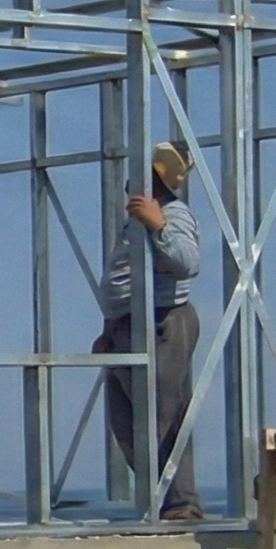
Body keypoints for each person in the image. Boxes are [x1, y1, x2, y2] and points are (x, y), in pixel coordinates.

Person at [95, 142, 203, 520]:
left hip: (163, 320)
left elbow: (188, 262)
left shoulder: (173, 213)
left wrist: (159, 225)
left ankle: (181, 502)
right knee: (127, 419)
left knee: (162, 413)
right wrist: (111, 327)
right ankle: (159, 495)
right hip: (129, 323)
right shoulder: (136, 219)